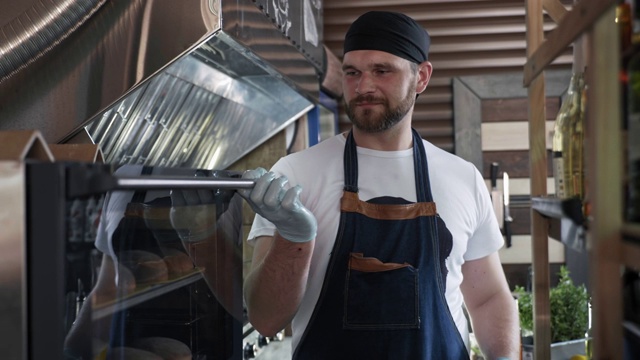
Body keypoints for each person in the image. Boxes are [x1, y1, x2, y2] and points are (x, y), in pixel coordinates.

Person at [239, 10, 519, 360]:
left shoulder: (463, 178)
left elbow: (490, 297)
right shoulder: (296, 175)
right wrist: (292, 239)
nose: (364, 86)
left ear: (421, 77)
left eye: (382, 71)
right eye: (352, 72)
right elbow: (265, 320)